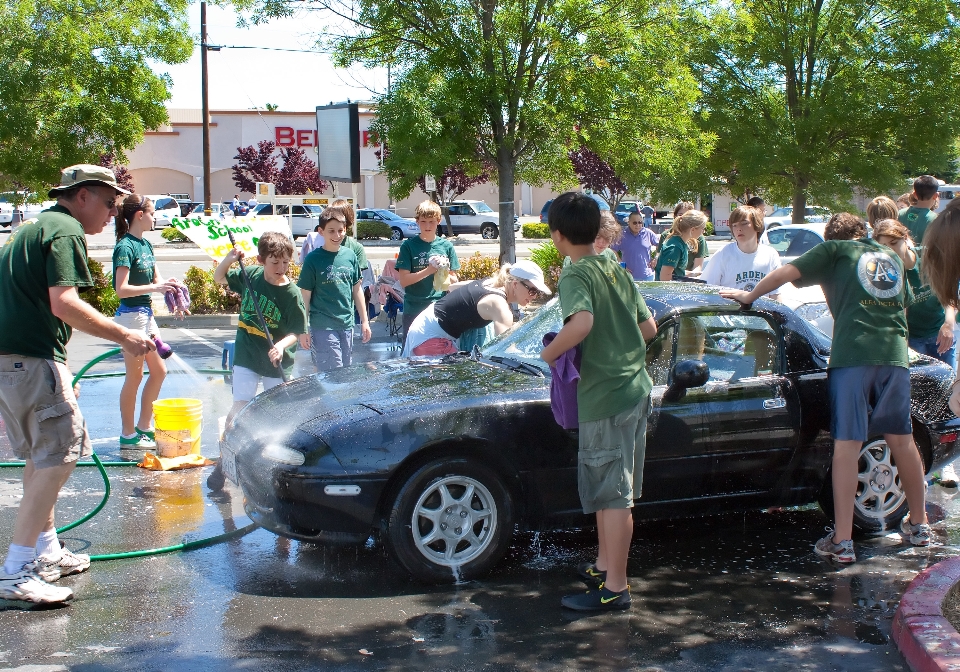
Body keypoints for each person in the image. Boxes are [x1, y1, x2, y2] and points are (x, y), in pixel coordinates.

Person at [718, 228, 930, 564]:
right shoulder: (889, 257)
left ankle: (843, 541)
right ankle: (919, 524)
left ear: (832, 236)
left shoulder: (834, 250)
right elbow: (902, 309)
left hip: (853, 357)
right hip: (895, 357)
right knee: (902, 441)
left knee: (847, 446)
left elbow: (785, 273)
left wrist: (749, 297)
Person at [0, 165, 154, 604]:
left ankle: (45, 548)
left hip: (15, 361)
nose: (113, 213)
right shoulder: (66, 230)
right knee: (60, 456)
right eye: (109, 203)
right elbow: (64, 302)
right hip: (31, 361)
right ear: (83, 196)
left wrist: (58, 364)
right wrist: (124, 334)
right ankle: (16, 568)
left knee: (40, 456)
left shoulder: (34, 228)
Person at [540, 192, 657, 611]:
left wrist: (549, 353)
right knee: (612, 488)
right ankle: (604, 567)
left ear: (557, 235)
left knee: (612, 496)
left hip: (605, 397)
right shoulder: (613, 266)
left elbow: (583, 322)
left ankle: (617, 589)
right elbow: (648, 328)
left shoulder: (575, 274)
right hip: (634, 389)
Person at [112, 194, 184, 451]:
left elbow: (157, 278)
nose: (155, 218)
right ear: (139, 215)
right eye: (152, 213)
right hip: (131, 317)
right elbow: (121, 289)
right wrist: (156, 287)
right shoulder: (125, 246)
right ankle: (127, 434)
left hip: (146, 316)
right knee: (135, 376)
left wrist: (171, 288)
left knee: (159, 371)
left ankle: (144, 427)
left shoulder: (146, 245)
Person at [214, 231, 306, 424]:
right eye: (275, 263)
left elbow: (296, 331)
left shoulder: (292, 294)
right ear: (260, 260)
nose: (281, 268)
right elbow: (219, 277)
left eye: (286, 262)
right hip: (247, 354)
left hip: (276, 360)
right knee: (240, 405)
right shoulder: (251, 276)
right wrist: (229, 259)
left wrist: (280, 346)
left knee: (276, 410)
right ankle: (228, 443)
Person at [403, 260, 550, 357]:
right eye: (532, 290)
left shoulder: (490, 282)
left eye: (538, 292)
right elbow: (505, 349)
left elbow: (453, 288)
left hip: (423, 324)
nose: (534, 296)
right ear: (515, 284)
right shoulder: (500, 307)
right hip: (430, 338)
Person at [297, 207, 372, 371]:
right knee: (334, 371)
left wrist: (365, 321)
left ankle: (328, 396)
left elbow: (357, 290)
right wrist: (303, 329)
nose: (336, 235)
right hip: (322, 325)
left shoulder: (350, 256)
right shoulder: (313, 259)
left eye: (340, 230)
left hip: (346, 324)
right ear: (321, 231)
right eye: (331, 231)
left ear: (345, 230)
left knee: (344, 371)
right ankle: (328, 396)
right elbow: (305, 297)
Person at [896, 178, 956, 369]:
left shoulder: (898, 217)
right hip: (933, 310)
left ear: (914, 194)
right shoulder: (937, 221)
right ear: (936, 196)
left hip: (910, 317)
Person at [396, 200, 460, 341]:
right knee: (413, 354)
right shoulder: (408, 246)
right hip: (413, 309)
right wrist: (429, 270)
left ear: (439, 221)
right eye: (423, 221)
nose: (427, 226)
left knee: (439, 353)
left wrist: (444, 269)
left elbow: (454, 280)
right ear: (417, 221)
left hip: (439, 307)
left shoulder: (446, 246)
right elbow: (404, 281)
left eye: (431, 221)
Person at [700, 206, 781, 297]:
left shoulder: (770, 255)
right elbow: (706, 291)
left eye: (744, 223)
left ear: (757, 225)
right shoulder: (722, 254)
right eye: (734, 225)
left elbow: (776, 295)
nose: (738, 229)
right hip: (731, 310)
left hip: (760, 310)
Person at [654, 210, 708, 281]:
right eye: (703, 229)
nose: (703, 232)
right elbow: (664, 278)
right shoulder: (675, 247)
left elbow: (677, 272)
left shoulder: (681, 243)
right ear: (693, 229)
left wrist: (694, 274)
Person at [612, 210, 658, 281]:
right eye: (634, 223)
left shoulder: (648, 233)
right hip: (628, 277)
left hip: (647, 276)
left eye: (640, 222)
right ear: (629, 222)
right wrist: (621, 264)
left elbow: (660, 245)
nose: (638, 225)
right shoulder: (622, 235)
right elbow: (613, 250)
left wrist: (656, 258)